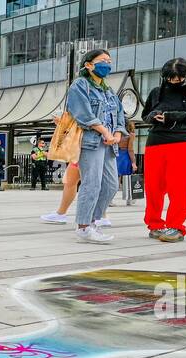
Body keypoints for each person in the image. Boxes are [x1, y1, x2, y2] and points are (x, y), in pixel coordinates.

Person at [141, 57, 186, 242]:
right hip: (156, 141)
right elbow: (145, 114)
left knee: (179, 187)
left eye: (178, 78)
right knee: (153, 187)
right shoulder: (157, 91)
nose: (174, 81)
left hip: (184, 141)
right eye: (170, 78)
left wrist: (172, 116)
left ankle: (175, 226)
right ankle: (155, 223)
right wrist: (153, 116)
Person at [65, 49, 124, 244]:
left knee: (111, 185)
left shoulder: (108, 90)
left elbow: (120, 114)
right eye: (102, 61)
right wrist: (105, 132)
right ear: (88, 65)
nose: (107, 64)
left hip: (109, 144)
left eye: (109, 60)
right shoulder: (80, 85)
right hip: (91, 141)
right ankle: (84, 226)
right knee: (92, 183)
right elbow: (83, 114)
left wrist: (116, 133)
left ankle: (92, 221)